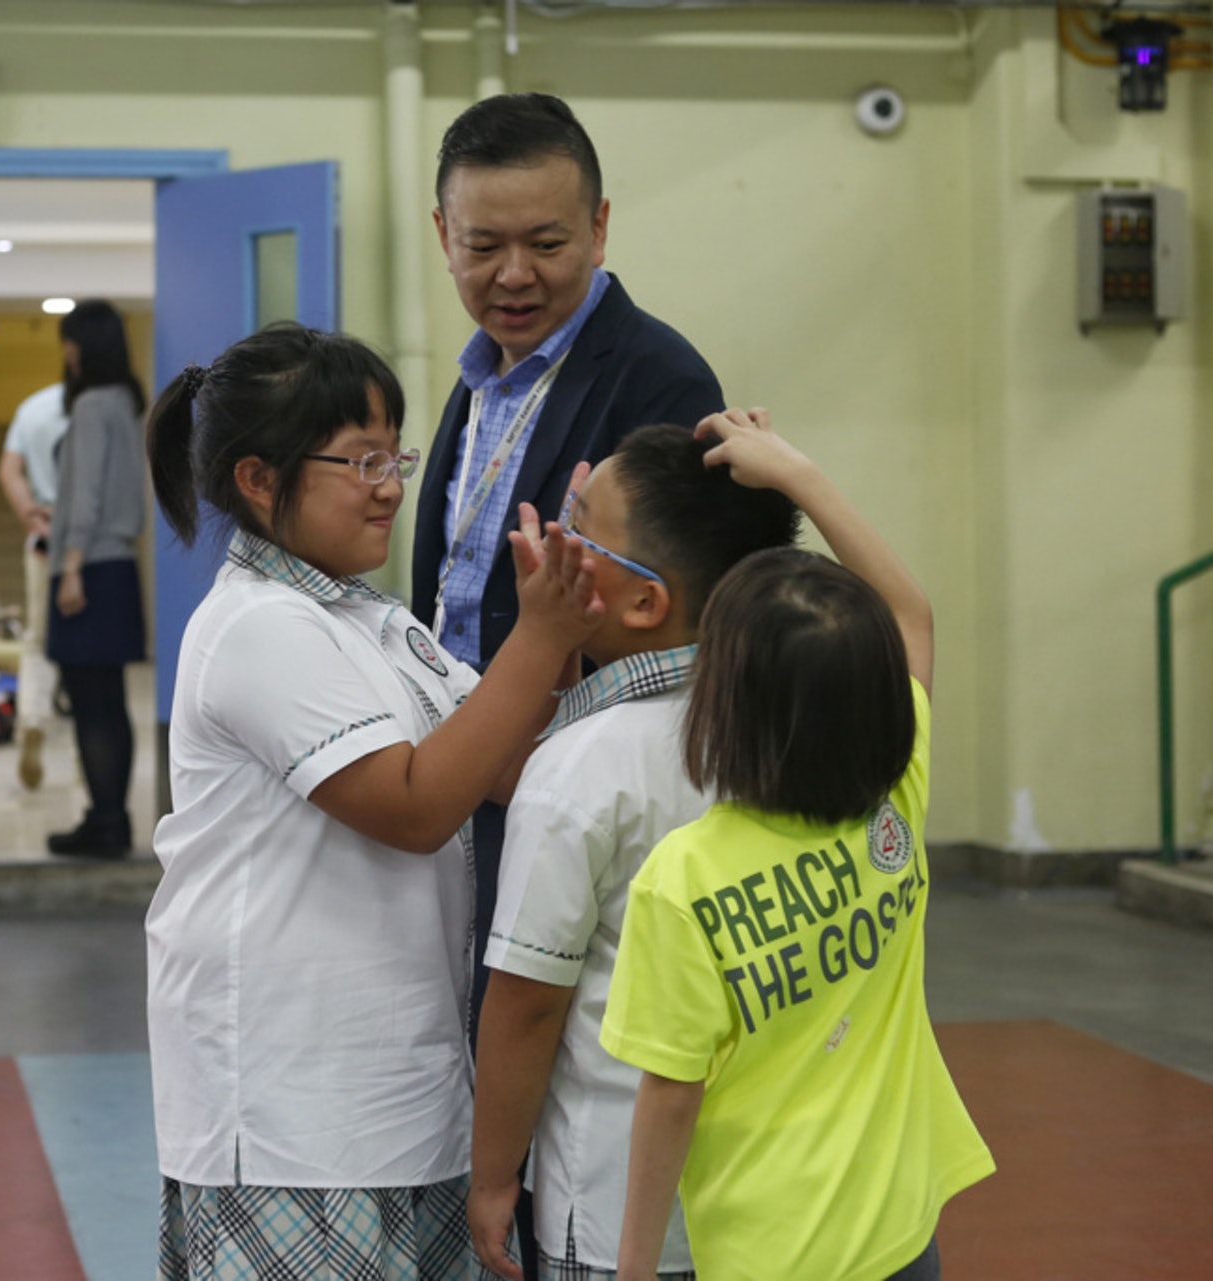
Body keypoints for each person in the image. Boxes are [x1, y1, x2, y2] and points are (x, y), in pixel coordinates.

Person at [144, 324, 602, 1279]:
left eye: (395, 453)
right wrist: (535, 638)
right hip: (289, 1118)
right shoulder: (256, 627)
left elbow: (511, 765)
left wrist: (557, 647)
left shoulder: (376, 620)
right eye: (360, 460)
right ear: (259, 480)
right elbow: (414, 806)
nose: (392, 483)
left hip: (399, 1100)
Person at [412, 89, 730, 1272]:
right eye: (483, 244)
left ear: (600, 226)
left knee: (570, 1040)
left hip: (570, 785)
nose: (514, 273)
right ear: (439, 232)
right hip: (475, 786)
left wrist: (516, 762)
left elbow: (665, 622)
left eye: (546, 243)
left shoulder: (656, 381)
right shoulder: (478, 380)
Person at [601, 409, 995, 1281]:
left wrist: (631, 1268)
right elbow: (912, 614)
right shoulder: (899, 786)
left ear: (724, 703)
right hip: (900, 1229)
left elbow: (670, 1096)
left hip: (770, 1251)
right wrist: (798, 476)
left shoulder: (685, 879)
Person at [468, 424, 800, 1281]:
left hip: (617, 1211)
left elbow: (530, 1001)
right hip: (774, 1204)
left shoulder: (583, 764)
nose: (550, 544)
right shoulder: (793, 725)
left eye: (577, 531)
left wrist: (493, 1172)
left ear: (646, 602)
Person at [44, 300, 147, 858]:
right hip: (119, 566)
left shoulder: (89, 406)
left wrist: (72, 566)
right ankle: (111, 817)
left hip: (88, 568)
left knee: (90, 704)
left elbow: (84, 495)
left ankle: (104, 821)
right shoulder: (128, 406)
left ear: (80, 346)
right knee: (109, 701)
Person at [0, 381, 70, 791]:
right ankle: (83, 755)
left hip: (42, 531)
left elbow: (7, 470)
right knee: (85, 650)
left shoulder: (32, 407)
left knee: (38, 640)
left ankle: (32, 721)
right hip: (89, 537)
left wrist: (30, 514)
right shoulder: (100, 403)